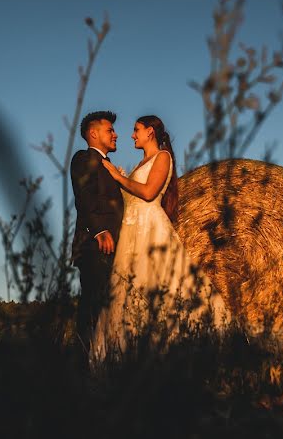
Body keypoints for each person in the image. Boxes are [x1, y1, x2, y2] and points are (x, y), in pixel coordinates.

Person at [91, 115, 229, 364]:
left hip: (150, 228)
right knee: (129, 291)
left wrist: (118, 177)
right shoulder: (141, 163)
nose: (132, 135)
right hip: (131, 230)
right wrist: (121, 183)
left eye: (136, 130)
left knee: (156, 284)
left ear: (150, 132)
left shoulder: (162, 157)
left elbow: (148, 192)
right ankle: (128, 355)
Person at [70, 111, 124, 354]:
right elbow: (84, 196)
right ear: (93, 133)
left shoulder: (108, 166)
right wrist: (98, 229)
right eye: (109, 130)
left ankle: (105, 360)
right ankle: (82, 361)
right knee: (92, 306)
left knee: (109, 307)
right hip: (95, 245)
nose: (116, 134)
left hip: (115, 246)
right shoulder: (84, 158)